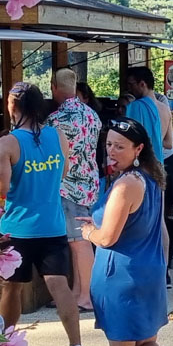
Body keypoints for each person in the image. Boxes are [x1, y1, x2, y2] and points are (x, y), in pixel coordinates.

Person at [83, 117, 169, 346]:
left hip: (119, 275)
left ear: (138, 148)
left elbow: (108, 238)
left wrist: (88, 232)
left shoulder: (125, 185)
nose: (112, 151)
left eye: (120, 146)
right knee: (146, 342)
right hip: (150, 271)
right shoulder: (154, 179)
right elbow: (162, 231)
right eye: (109, 144)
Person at [0, 82, 84, 346]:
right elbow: (63, 173)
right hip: (52, 225)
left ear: (13, 106)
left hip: (17, 228)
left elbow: (2, 189)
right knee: (59, 285)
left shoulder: (6, 143)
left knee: (11, 287)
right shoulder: (58, 136)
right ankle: (76, 345)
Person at [49, 68, 104, 312]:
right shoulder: (91, 114)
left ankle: (87, 296)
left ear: (54, 87)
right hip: (89, 183)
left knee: (80, 242)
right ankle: (77, 291)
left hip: (68, 185)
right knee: (76, 241)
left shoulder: (56, 119)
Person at [122, 65, 173, 164]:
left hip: (140, 162)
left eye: (131, 84)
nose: (129, 89)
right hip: (157, 163)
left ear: (142, 84)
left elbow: (130, 138)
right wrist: (155, 141)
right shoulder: (165, 109)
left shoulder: (136, 106)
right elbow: (169, 143)